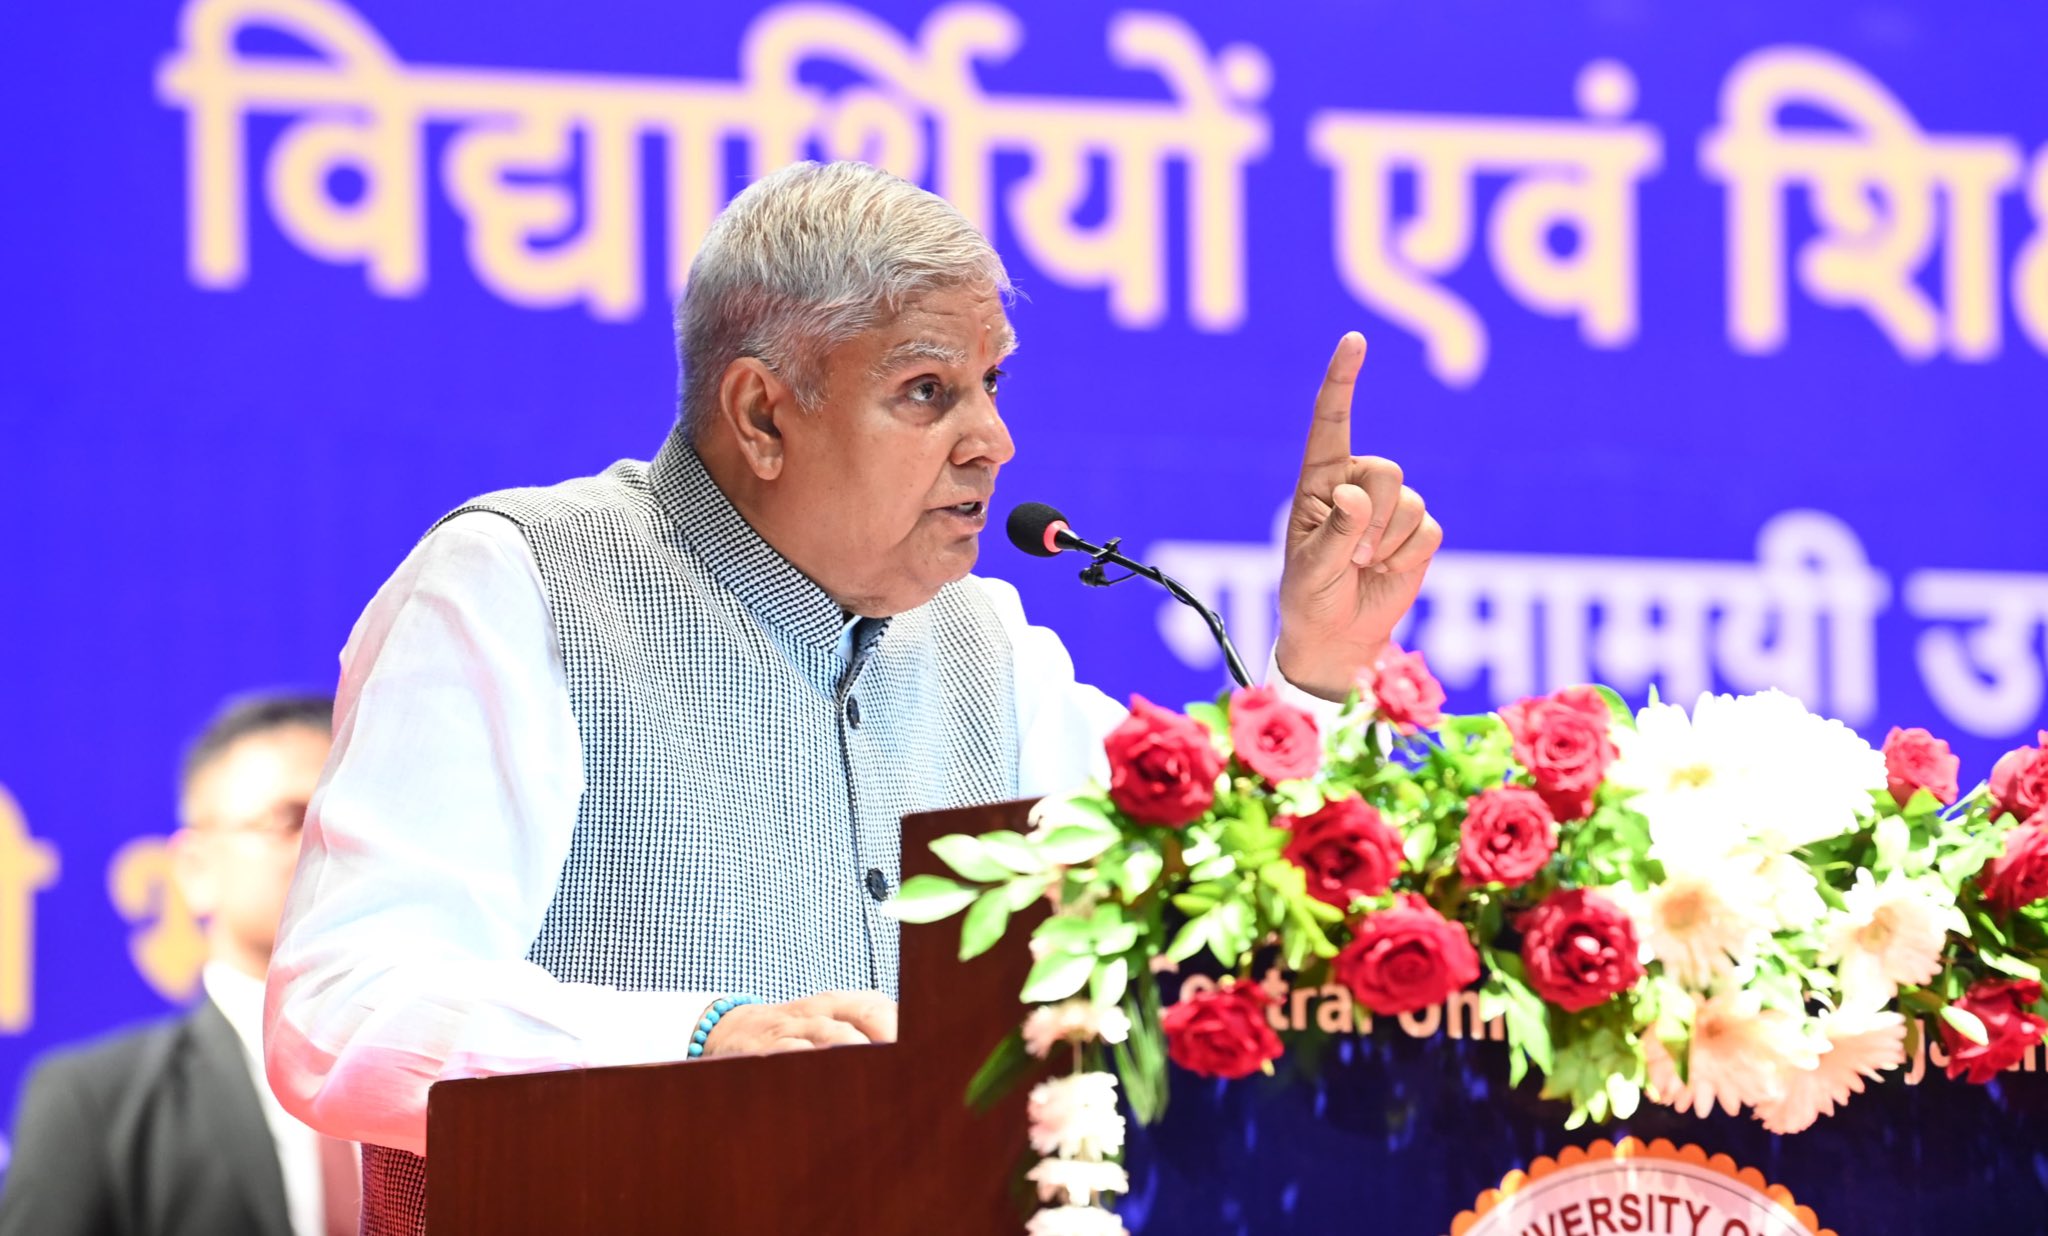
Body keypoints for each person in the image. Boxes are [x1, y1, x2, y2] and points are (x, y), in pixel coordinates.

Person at [265, 159, 1443, 1234]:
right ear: (763, 415)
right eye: (927, 392)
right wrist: (697, 1044)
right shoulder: (521, 584)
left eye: (990, 383)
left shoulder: (988, 643)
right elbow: (342, 1007)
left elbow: (1193, 920)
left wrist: (1317, 670)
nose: (994, 440)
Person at [0, 694, 358, 1236]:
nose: (325, 843)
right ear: (194, 869)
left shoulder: (446, 1083)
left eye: (346, 820)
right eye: (288, 821)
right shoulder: (93, 1102)